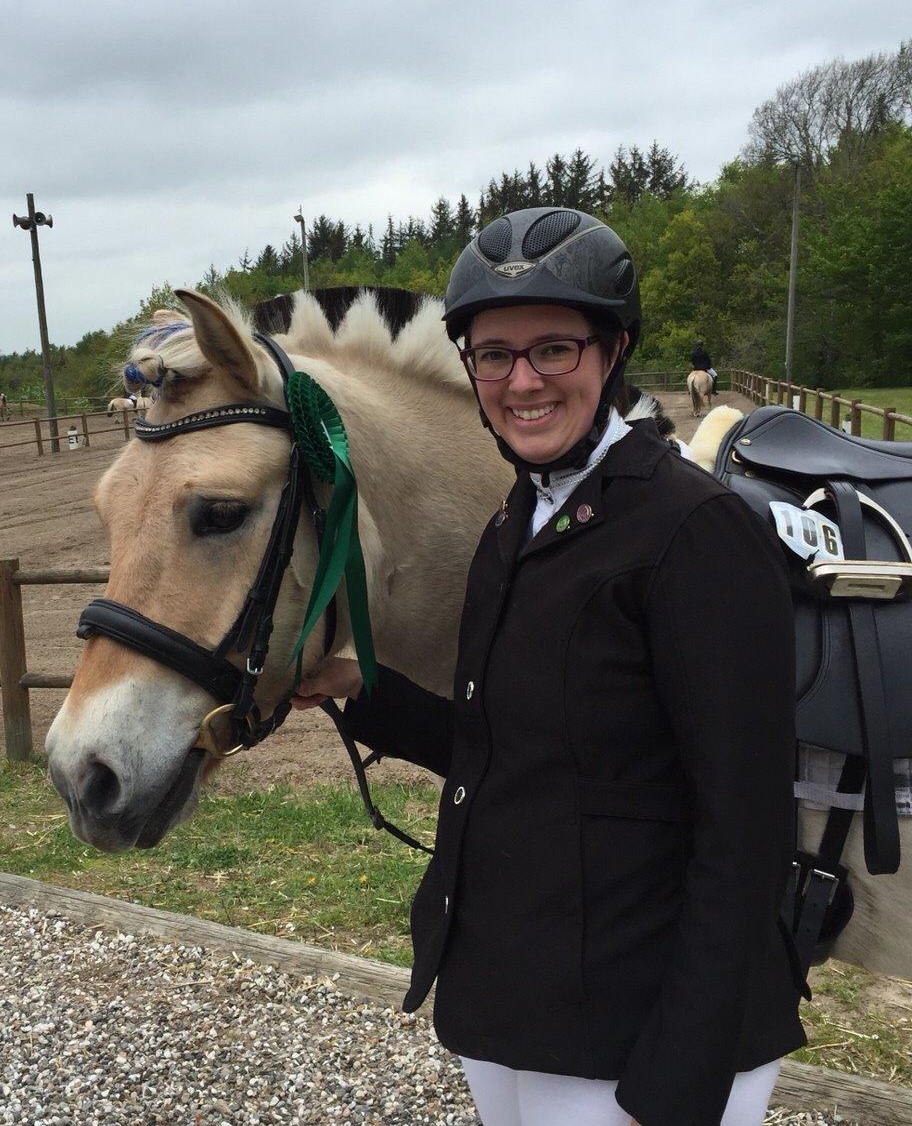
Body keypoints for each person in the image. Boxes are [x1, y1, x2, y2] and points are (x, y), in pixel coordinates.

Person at [295, 208, 805, 1126]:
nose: (520, 381)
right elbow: (510, 747)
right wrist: (360, 691)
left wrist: (682, 1068)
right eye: (493, 355)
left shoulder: (695, 534)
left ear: (610, 353)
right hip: (519, 995)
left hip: (637, 1023)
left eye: (553, 350)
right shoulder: (515, 523)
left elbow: (747, 827)